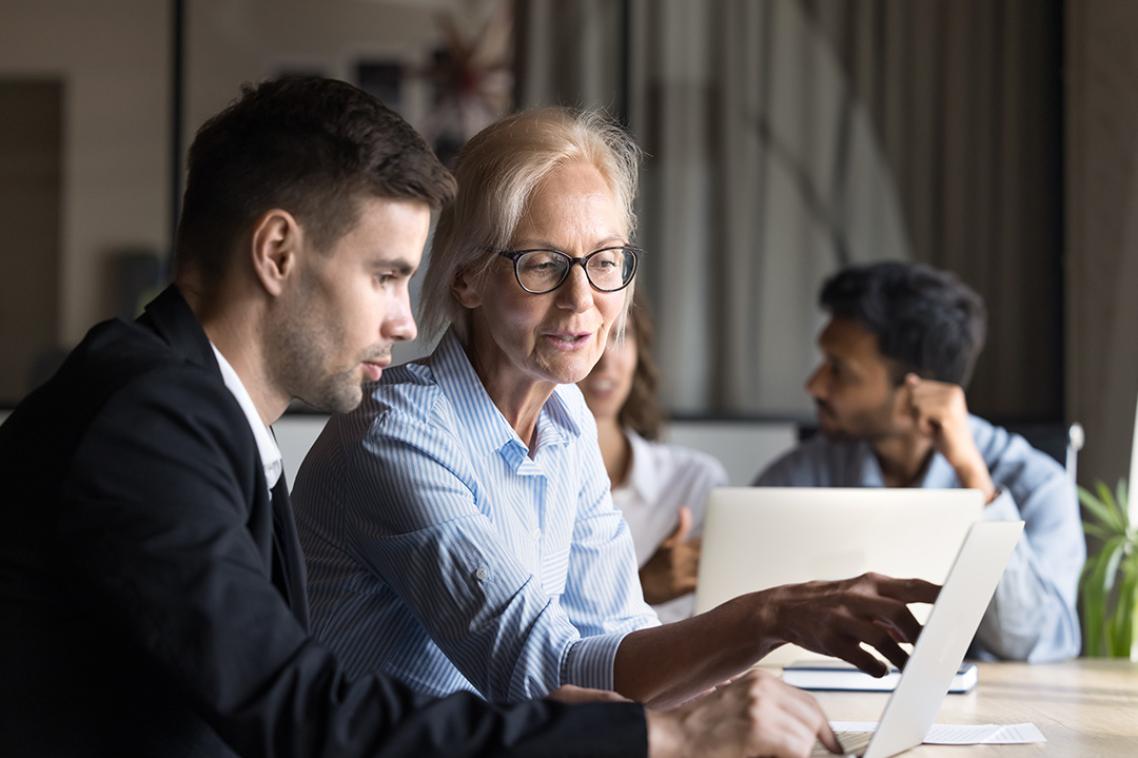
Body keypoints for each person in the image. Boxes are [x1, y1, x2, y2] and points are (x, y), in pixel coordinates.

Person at [0, 76, 841, 758]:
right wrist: (659, 734)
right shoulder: (150, 423)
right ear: (277, 254)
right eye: (386, 276)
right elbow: (299, 716)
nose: (407, 320)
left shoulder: (185, 409)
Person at [293, 106, 939, 713]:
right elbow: (542, 673)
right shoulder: (395, 433)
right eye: (542, 264)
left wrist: (746, 698)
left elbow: (616, 639)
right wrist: (769, 617)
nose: (582, 300)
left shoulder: (566, 420)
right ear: (467, 278)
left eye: (605, 262)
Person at [754, 261, 1084, 662]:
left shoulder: (1038, 484)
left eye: (839, 371)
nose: (814, 384)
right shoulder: (795, 478)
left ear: (916, 392)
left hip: (987, 709)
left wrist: (973, 480)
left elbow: (1034, 644)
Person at [577, 295, 726, 623]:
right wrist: (641, 586)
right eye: (584, 335)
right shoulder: (524, 483)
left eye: (621, 335)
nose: (605, 362)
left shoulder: (694, 480)